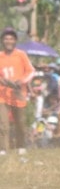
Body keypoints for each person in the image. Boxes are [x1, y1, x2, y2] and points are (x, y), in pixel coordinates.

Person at [0, 27, 35, 155]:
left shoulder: (21, 55)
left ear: (15, 41)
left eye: (11, 38)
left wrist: (22, 81)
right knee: (3, 124)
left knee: (20, 122)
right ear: (3, 41)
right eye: (6, 38)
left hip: (18, 93)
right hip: (2, 95)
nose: (9, 41)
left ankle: (21, 146)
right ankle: (2, 149)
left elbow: (31, 71)